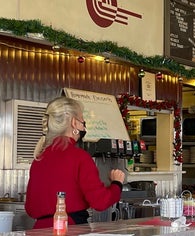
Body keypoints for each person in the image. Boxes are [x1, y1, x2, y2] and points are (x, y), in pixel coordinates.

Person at [25, 96, 125, 228]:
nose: (84, 123)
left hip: (39, 229)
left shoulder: (39, 158)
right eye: (82, 119)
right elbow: (100, 202)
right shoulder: (80, 157)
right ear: (74, 122)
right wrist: (116, 184)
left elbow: (30, 207)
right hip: (70, 228)